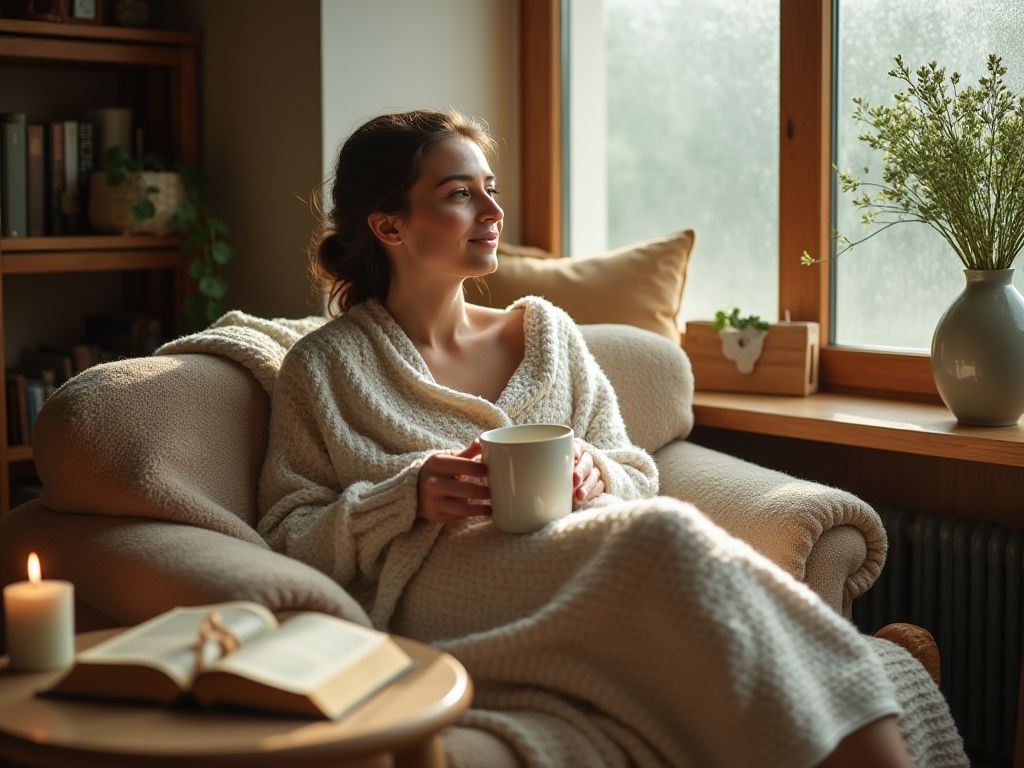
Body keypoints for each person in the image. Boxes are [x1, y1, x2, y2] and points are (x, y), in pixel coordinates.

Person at [257, 110, 917, 767]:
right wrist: (406, 497)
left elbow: (635, 470)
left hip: (580, 553)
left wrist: (594, 469)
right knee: (665, 534)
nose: (492, 209)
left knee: (670, 543)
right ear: (389, 224)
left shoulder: (546, 335)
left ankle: (854, 719)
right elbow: (287, 534)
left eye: (490, 187)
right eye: (459, 193)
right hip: (441, 589)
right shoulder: (325, 367)